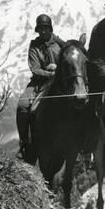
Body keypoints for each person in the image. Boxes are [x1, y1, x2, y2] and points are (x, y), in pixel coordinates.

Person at [16, 14, 65, 159]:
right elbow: (35, 69)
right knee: (22, 106)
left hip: (60, 82)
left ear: (50, 28)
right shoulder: (34, 46)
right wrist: (51, 73)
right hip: (39, 82)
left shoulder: (60, 44)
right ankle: (24, 143)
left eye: (45, 28)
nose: (43, 32)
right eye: (40, 29)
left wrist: (58, 71)